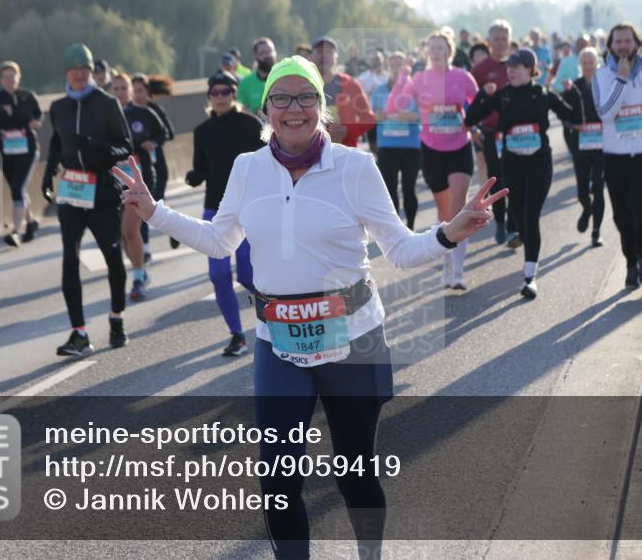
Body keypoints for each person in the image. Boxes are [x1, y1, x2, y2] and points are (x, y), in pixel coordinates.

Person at [116, 55, 506, 560]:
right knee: (278, 479)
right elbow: (219, 241)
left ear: (321, 107)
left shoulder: (355, 168)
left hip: (353, 340)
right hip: (278, 342)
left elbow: (400, 249)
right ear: (266, 108)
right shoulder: (247, 168)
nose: (293, 109)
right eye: (281, 98)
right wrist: (154, 212)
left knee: (356, 474)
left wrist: (450, 232)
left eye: (305, 98)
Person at [42, 43, 134, 354]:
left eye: (84, 69)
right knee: (69, 259)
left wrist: (97, 147)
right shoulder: (58, 108)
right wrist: (47, 174)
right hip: (72, 190)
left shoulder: (107, 104)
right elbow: (56, 144)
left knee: (112, 259)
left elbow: (125, 145)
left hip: (103, 191)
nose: (79, 75)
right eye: (73, 69)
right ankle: (78, 332)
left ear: (91, 71)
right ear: (66, 73)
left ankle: (117, 319)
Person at [466, 49, 576, 299]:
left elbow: (572, 116)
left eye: (518, 67)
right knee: (520, 216)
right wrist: (483, 94)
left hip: (540, 162)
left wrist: (574, 92)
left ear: (530, 69)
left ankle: (529, 276)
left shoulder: (543, 94)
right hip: (512, 165)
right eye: (510, 67)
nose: (511, 71)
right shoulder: (503, 96)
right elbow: (470, 119)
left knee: (530, 215)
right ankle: (529, 254)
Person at [387, 30, 479, 289]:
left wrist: (475, 122)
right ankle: (447, 259)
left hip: (460, 146)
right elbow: (396, 106)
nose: (437, 52)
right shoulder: (419, 79)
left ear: (449, 51)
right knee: (444, 214)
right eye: (433, 48)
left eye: (441, 47)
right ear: (428, 53)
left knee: (458, 208)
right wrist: (402, 77)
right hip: (432, 151)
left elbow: (478, 101)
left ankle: (458, 269)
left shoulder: (462, 77)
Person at [186, 71, 265, 355]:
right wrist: (194, 176)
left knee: (246, 273)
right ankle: (237, 334)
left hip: (249, 207)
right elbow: (202, 169)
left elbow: (269, 161)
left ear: (234, 95)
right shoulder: (202, 132)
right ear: (209, 97)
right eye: (215, 92)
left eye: (226, 92)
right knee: (219, 274)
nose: (220, 97)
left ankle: (278, 309)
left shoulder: (250, 124)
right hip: (215, 210)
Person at [593, 23, 642, 288]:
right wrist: (622, 80)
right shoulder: (602, 76)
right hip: (615, 153)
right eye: (618, 42)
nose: (623, 46)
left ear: (637, 43)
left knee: (641, 202)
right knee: (622, 214)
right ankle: (630, 262)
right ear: (611, 46)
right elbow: (605, 113)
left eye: (627, 41)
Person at [110, 72, 167, 300]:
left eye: (124, 88)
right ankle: (139, 271)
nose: (120, 92)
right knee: (121, 234)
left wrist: (152, 143)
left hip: (140, 178)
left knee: (129, 229)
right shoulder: (104, 115)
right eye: (116, 89)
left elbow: (163, 132)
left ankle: (137, 278)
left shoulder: (143, 114)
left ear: (131, 91)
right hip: (113, 179)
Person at [0, 60, 42, 247]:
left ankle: (16, 230)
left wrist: (33, 123)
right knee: (18, 189)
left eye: (13, 76)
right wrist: (5, 115)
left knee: (18, 188)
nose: (10, 80)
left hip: (28, 148)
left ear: (19, 77)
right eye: (6, 77)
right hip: (7, 150)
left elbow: (38, 116)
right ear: (1, 80)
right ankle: (31, 222)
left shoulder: (28, 96)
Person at [470, 20, 516, 244]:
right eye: (496, 39)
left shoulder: (517, 65)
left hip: (516, 133)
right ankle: (500, 222)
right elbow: (469, 102)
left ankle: (514, 225)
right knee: (497, 179)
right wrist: (473, 128)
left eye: (504, 39)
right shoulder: (480, 70)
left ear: (509, 40)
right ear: (489, 42)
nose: (500, 43)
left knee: (515, 178)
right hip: (490, 132)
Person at [561, 47, 606, 246]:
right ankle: (587, 209)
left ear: (597, 63)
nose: (588, 66)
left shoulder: (605, 84)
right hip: (581, 145)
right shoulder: (574, 87)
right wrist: (574, 125)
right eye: (585, 62)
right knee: (582, 192)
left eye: (591, 62)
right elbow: (565, 117)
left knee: (598, 186)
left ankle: (596, 231)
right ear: (580, 65)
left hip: (602, 146)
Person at [372, 52, 421, 230]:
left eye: (400, 64)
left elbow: (425, 115)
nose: (396, 69)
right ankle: (396, 230)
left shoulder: (414, 89)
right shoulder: (379, 90)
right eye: (393, 65)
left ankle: (411, 227)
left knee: (409, 189)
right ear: (387, 67)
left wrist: (412, 115)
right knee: (390, 190)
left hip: (411, 146)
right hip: (387, 146)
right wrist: (378, 115)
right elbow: (372, 115)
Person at [311, 36, 375, 148]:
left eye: (329, 52)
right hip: (311, 153)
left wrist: (348, 130)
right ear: (312, 57)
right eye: (320, 51)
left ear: (336, 57)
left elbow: (368, 118)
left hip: (345, 151)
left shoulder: (351, 85)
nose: (324, 55)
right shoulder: (303, 86)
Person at [143, 75, 177, 250]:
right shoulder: (121, 110)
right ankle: (145, 249)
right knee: (137, 207)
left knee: (155, 205)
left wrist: (153, 142)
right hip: (134, 167)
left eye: (140, 90)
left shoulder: (154, 110)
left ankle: (176, 230)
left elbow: (169, 133)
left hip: (156, 166)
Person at [237, 37, 278, 115]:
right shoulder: (246, 83)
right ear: (255, 56)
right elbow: (241, 108)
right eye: (262, 53)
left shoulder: (284, 79)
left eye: (270, 51)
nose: (268, 55)